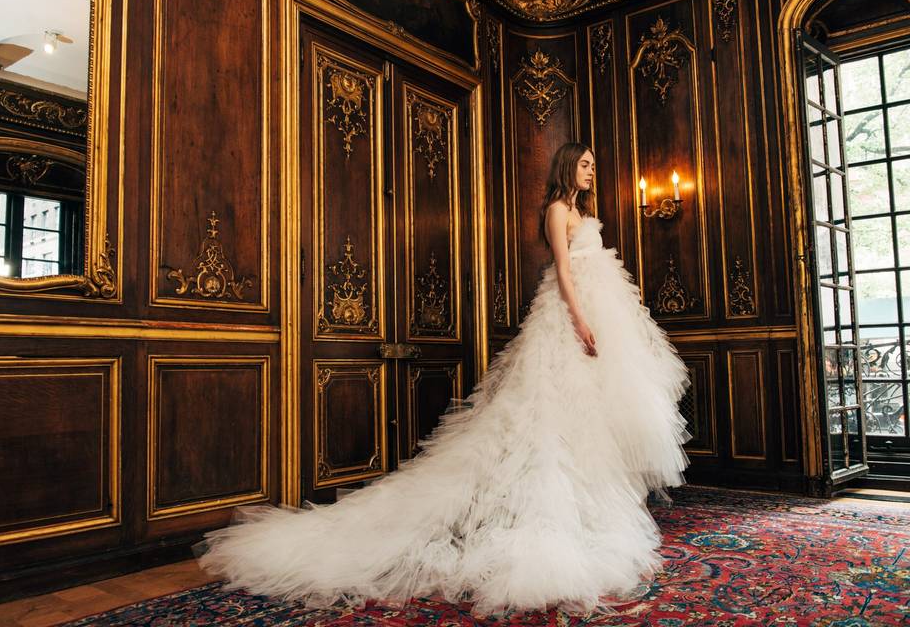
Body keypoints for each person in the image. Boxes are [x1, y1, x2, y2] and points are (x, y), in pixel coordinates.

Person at [196, 142, 691, 615]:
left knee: (588, 416)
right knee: (543, 414)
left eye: (591, 164)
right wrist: (580, 319)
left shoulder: (583, 213)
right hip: (568, 317)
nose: (590, 171)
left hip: (599, 311)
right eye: (583, 164)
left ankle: (587, 513)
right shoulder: (557, 211)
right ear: (566, 167)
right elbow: (564, 270)